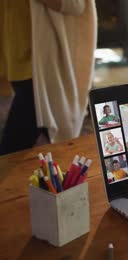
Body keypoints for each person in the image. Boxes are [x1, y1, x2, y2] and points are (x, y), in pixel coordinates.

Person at [0, 0, 96, 155]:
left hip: (41, 68)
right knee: (34, 144)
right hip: (14, 61)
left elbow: (76, 4)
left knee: (11, 150)